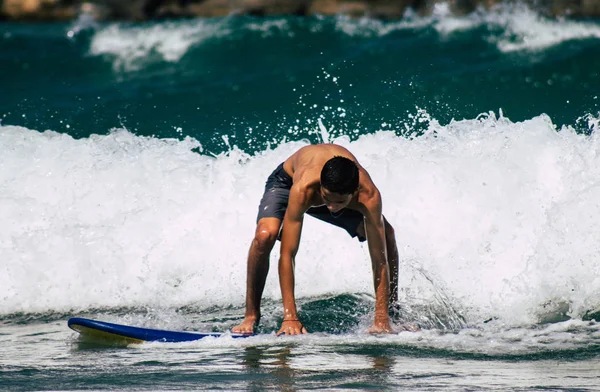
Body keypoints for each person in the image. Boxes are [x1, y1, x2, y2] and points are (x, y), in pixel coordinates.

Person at [232, 144, 399, 335]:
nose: (331, 208)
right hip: (288, 184)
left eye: (339, 202)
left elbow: (379, 260)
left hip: (332, 192)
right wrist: (290, 318)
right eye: (328, 199)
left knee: (387, 235)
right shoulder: (304, 188)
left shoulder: (369, 195)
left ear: (354, 194)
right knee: (265, 236)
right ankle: (251, 315)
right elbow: (287, 255)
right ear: (321, 186)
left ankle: (391, 313)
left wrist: (380, 319)